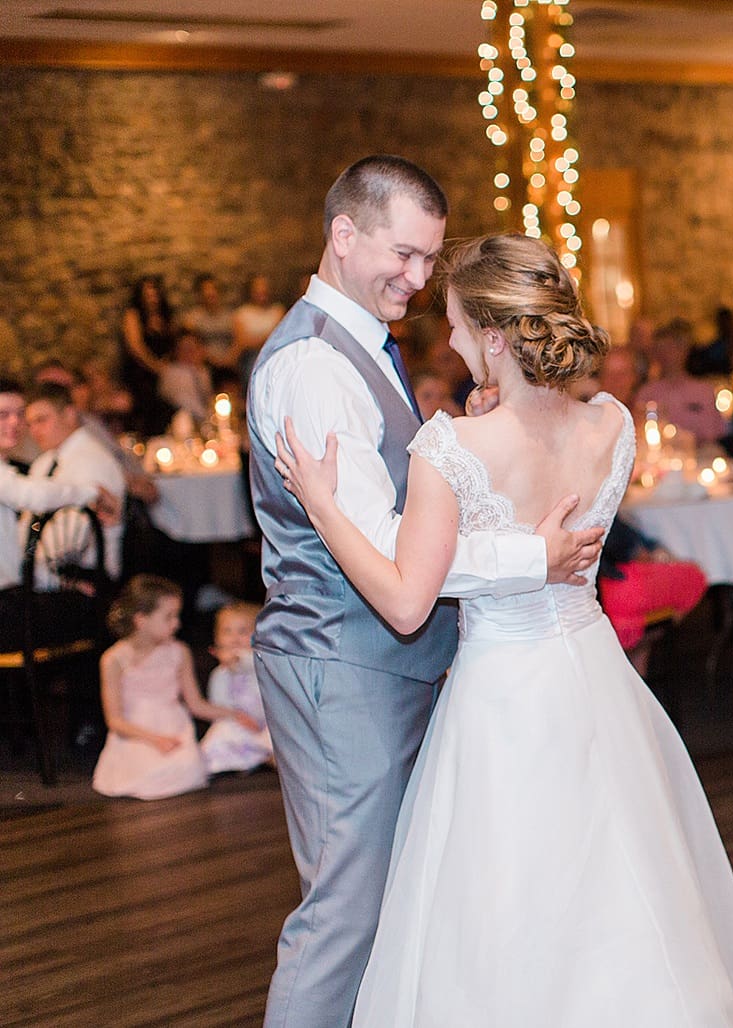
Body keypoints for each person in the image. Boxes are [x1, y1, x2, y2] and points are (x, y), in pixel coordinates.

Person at [274, 231, 733, 1025]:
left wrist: (324, 505)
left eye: (456, 325)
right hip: (596, 675)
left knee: (504, 904)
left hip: (503, 696)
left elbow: (408, 602)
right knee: (618, 890)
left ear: (496, 339)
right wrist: (522, 538)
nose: (446, 339)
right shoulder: (613, 423)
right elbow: (535, 508)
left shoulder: (449, 448)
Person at [245, 156, 605, 1028]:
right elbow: (390, 561)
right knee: (345, 913)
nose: (413, 279)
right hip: (343, 666)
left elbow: (412, 522)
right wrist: (533, 556)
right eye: (401, 254)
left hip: (382, 665)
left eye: (427, 260)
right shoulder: (313, 369)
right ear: (343, 234)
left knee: (389, 902)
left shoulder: (360, 348)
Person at [92, 576, 257, 800]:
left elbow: (196, 704)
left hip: (173, 725)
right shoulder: (114, 659)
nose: (176, 624)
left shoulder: (179, 652)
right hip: (136, 732)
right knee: (143, 773)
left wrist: (234, 714)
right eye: (169, 617)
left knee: (188, 768)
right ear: (141, 620)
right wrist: (154, 740)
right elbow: (115, 720)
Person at [24, 382, 128, 583]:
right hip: (44, 573)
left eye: (42, 420)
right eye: (30, 424)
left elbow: (71, 542)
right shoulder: (44, 462)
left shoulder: (93, 461)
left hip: (83, 579)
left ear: (69, 414)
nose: (34, 430)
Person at [597, 518, 709, 677]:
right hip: (615, 590)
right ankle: (636, 665)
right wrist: (655, 552)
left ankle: (635, 667)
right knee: (694, 576)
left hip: (598, 594)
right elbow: (631, 548)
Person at [198, 601, 273, 774]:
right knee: (220, 734)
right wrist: (238, 719)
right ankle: (254, 757)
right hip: (241, 723)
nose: (234, 638)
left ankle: (264, 755)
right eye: (227, 631)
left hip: (267, 721)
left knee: (280, 735)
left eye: (242, 631)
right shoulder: (220, 674)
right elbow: (219, 704)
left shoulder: (261, 663)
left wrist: (237, 661)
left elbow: (248, 662)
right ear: (217, 638)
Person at [635, 318, 729, 442]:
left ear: (685, 351)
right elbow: (641, 433)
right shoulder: (646, 392)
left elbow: (714, 434)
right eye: (660, 349)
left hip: (700, 456)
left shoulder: (703, 391)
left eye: (671, 348)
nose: (666, 355)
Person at [120, 275, 179, 433]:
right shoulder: (134, 315)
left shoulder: (165, 316)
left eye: (154, 293)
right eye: (147, 294)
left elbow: (173, 342)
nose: (152, 298)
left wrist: (166, 364)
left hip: (164, 368)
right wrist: (155, 367)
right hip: (141, 370)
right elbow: (136, 347)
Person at [158, 329, 213, 422]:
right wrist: (206, 418)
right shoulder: (172, 373)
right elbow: (182, 402)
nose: (188, 354)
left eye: (192, 349)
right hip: (182, 421)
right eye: (184, 349)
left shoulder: (203, 371)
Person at [184, 273, 236, 369]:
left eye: (213, 289)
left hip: (228, 362)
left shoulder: (230, 316)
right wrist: (209, 359)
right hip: (204, 364)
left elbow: (238, 342)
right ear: (200, 294)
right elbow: (191, 344)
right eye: (206, 289)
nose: (210, 293)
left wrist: (229, 358)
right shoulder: (193, 318)